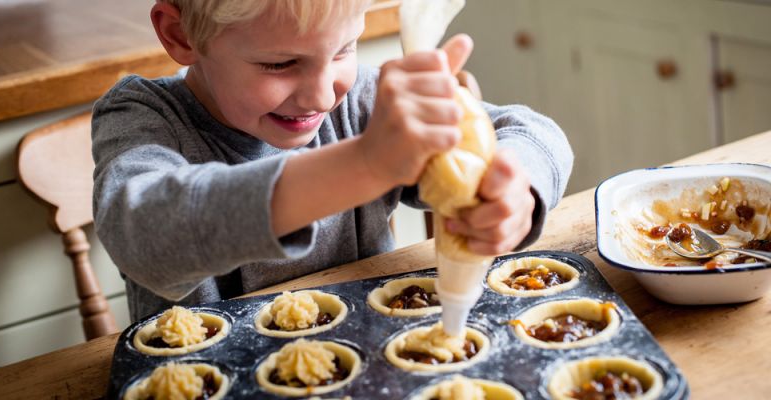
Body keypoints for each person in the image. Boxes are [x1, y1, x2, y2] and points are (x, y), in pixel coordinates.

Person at [92, 0, 573, 322]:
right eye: (280, 64)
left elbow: (535, 132)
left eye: (344, 49)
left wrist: (516, 192)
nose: (323, 96)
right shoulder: (142, 117)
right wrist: (364, 164)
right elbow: (147, 235)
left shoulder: (364, 99)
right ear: (179, 34)